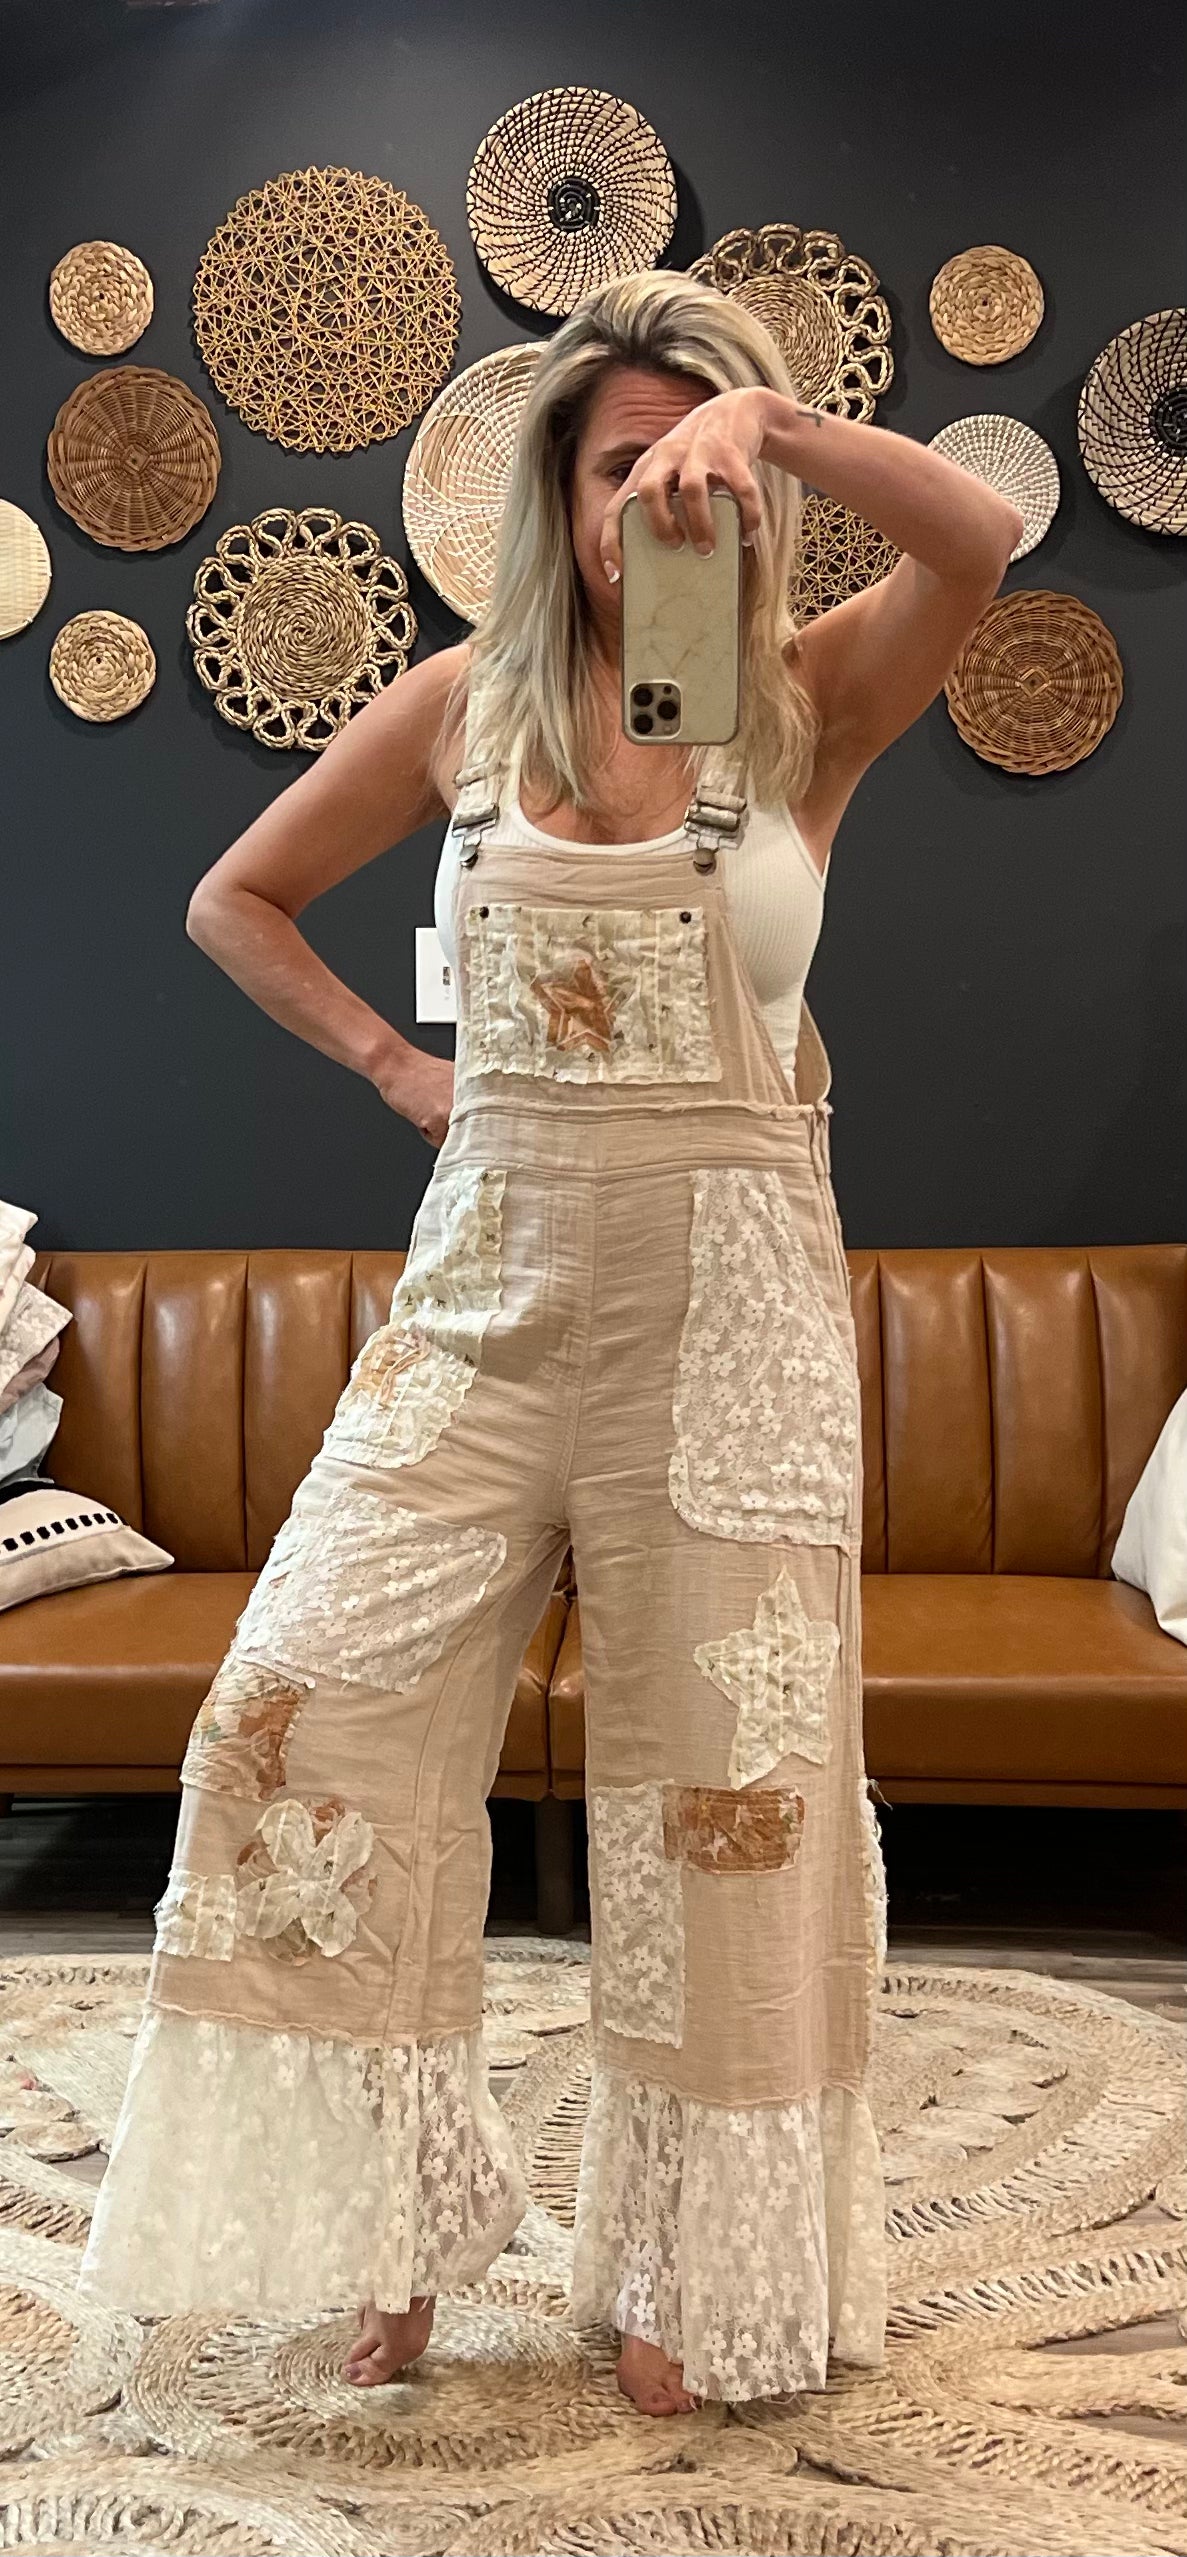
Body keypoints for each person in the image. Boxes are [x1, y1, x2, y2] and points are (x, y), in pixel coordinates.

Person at [75, 270, 1022, 2419]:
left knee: (731, 1798)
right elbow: (236, 898)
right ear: (554, 493)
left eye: (690, 461)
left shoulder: (808, 696)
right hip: (481, 1304)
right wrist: (397, 1069)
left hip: (734, 1324)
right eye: (620, 464)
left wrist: (773, 430)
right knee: (293, 1727)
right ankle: (397, 2218)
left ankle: (697, 2258)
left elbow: (978, 539)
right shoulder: (466, 707)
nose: (654, 499)